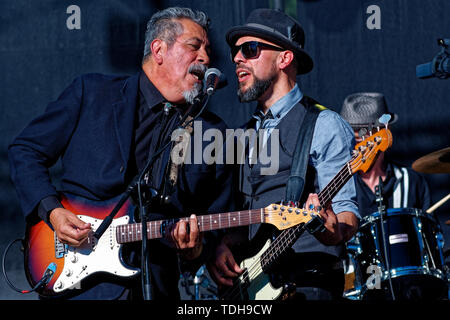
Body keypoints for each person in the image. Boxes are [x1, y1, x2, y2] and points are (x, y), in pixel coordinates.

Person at [8, 7, 232, 300]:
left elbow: (217, 215)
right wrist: (53, 212)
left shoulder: (212, 132)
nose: (205, 57)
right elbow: (26, 150)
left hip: (155, 284)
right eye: (194, 46)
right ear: (159, 49)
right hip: (79, 285)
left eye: (208, 50)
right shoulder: (92, 93)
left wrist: (197, 248)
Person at [207, 8, 360, 300]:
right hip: (254, 286)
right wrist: (227, 243)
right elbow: (256, 221)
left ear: (284, 58)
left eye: (250, 49)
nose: (237, 58)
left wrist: (324, 226)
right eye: (235, 52)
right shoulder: (244, 133)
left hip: (306, 285)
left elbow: (347, 219)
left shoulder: (323, 125)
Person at [339, 92, 441, 300]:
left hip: (410, 289)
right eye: (352, 133)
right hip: (353, 288)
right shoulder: (339, 186)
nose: (357, 141)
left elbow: (433, 242)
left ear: (383, 134)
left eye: (363, 133)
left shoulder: (412, 182)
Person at [339, 92, 431, 217]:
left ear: (386, 133)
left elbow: (431, 232)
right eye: (354, 132)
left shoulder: (412, 181)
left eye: (369, 132)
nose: (362, 139)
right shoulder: (338, 183)